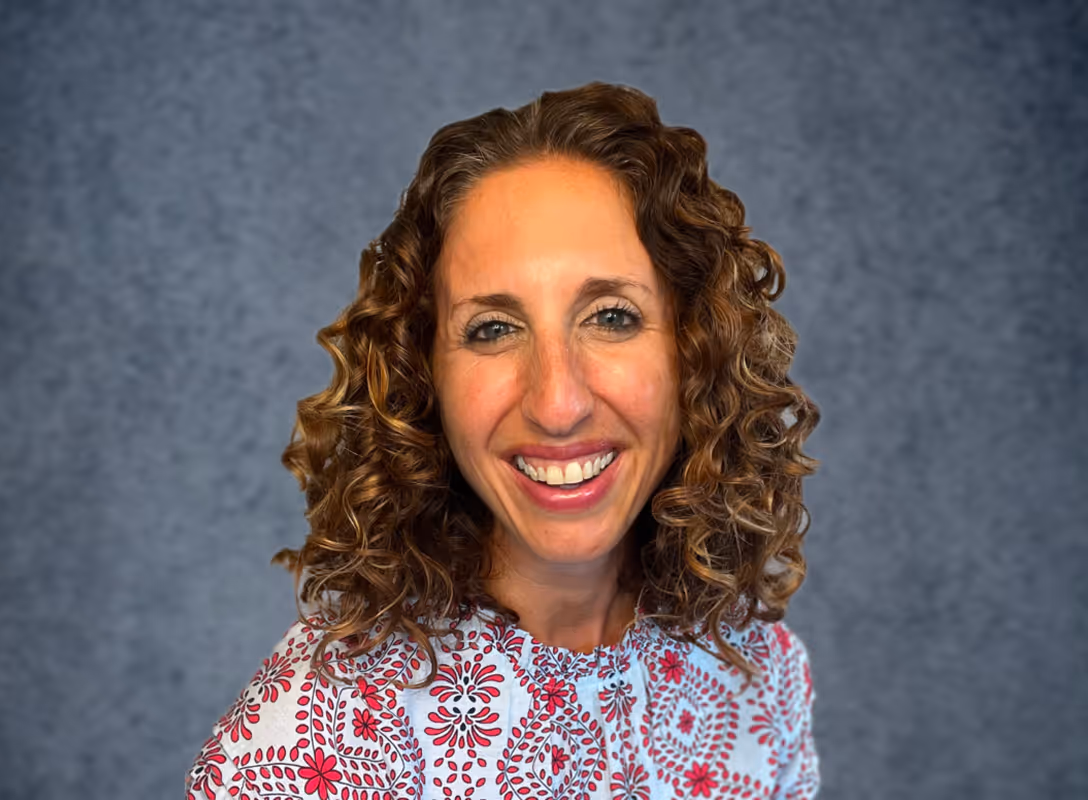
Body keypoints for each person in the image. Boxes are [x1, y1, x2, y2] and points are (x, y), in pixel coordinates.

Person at [186, 81, 821, 800]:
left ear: (696, 350)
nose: (558, 404)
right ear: (422, 376)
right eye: (492, 329)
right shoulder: (312, 744)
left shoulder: (759, 678)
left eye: (611, 317)